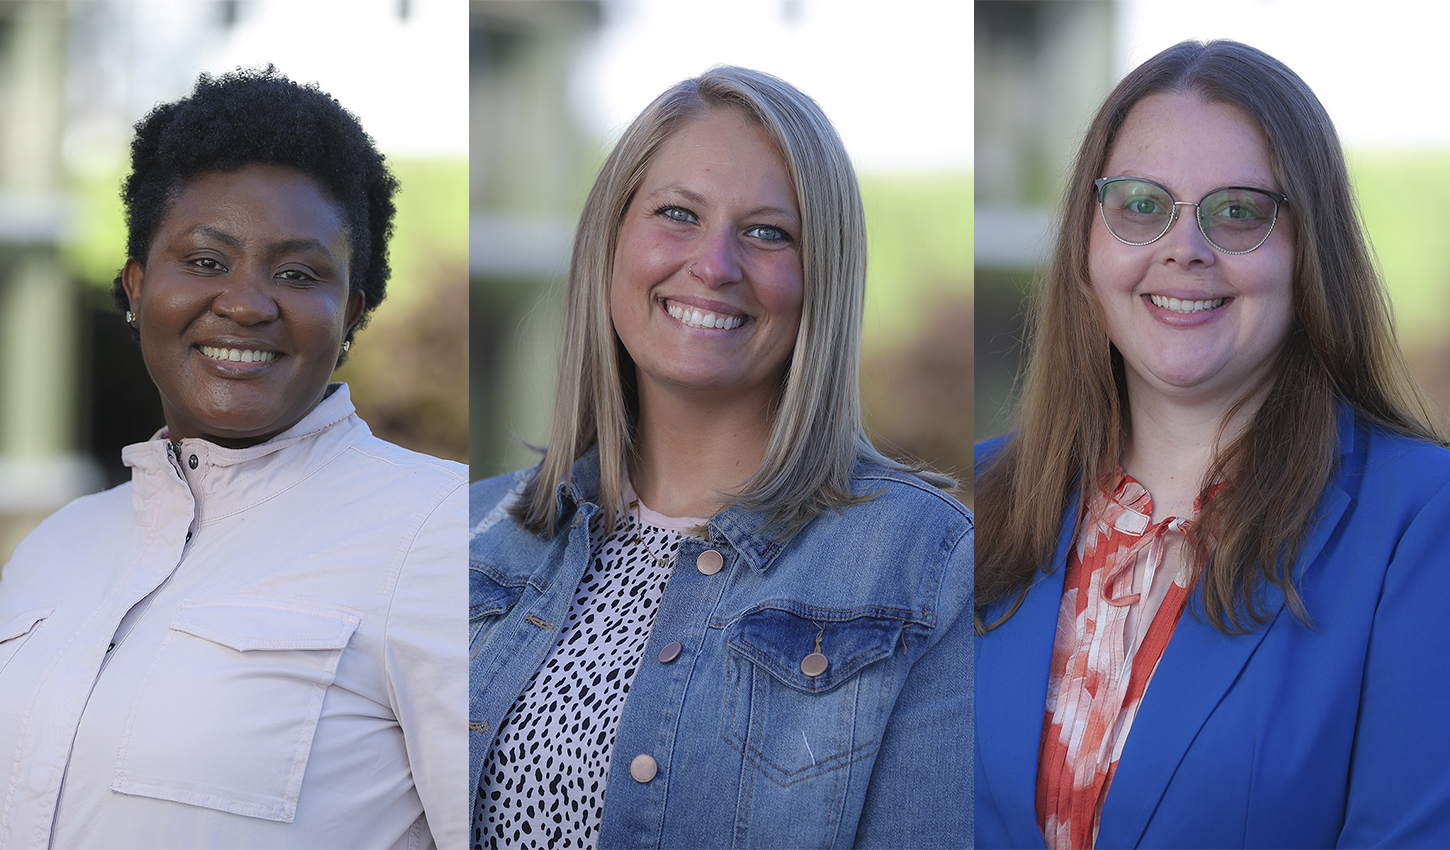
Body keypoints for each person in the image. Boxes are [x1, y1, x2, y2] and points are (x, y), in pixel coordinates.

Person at [469, 66, 972, 850]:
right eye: (677, 214)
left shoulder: (926, 565)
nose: (714, 265)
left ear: (822, 279)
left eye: (768, 232)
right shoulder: (471, 531)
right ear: (611, 240)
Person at [974, 39, 1450, 849]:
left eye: (1238, 211)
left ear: (1310, 254)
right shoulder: (975, 497)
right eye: (1138, 203)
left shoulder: (1419, 523)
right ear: (1087, 250)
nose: (1183, 246)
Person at [0, 68, 466, 848]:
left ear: (350, 312)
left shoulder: (445, 535)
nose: (248, 304)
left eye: (296, 273)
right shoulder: (55, 550)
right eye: (207, 262)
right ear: (138, 287)